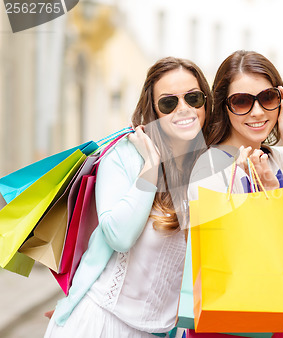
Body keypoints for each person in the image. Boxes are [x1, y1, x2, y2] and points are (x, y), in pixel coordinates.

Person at [44, 56, 212, 338]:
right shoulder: (125, 156)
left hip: (159, 332)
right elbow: (118, 236)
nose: (184, 109)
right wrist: (151, 167)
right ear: (153, 110)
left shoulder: (208, 167)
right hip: (100, 323)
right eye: (169, 103)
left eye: (193, 98)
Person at [189, 50, 283, 238]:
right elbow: (222, 247)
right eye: (241, 101)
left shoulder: (282, 158)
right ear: (224, 107)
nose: (257, 112)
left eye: (268, 97)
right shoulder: (209, 168)